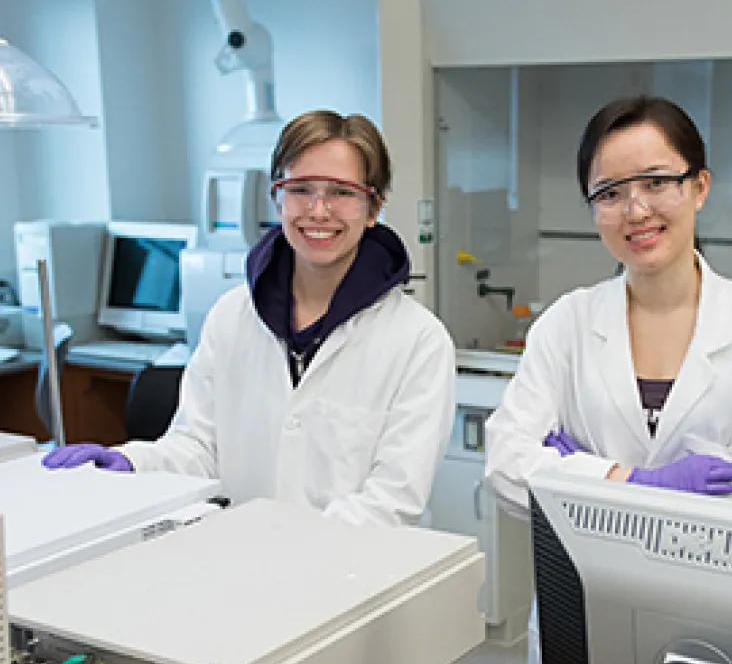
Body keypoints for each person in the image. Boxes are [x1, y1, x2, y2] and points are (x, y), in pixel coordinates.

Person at [42, 110, 456, 527]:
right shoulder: (232, 316)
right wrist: (129, 461)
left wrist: (283, 547)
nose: (318, 210)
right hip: (241, 563)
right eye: (300, 189)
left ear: (373, 208)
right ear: (277, 199)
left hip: (356, 574)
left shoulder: (417, 340)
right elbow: (198, 448)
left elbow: (392, 501)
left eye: (341, 192)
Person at [485, 95, 732, 513]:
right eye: (609, 192)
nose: (636, 210)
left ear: (700, 188)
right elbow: (505, 467)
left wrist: (577, 474)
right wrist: (635, 481)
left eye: (656, 183)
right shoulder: (567, 324)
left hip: (711, 577)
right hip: (585, 578)